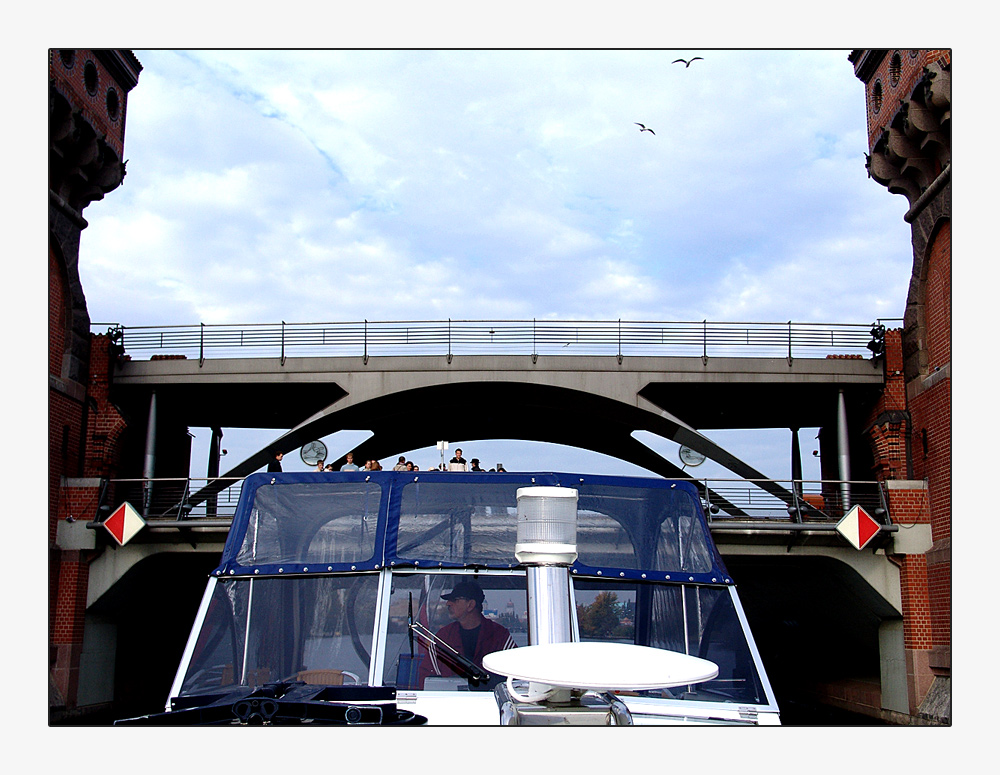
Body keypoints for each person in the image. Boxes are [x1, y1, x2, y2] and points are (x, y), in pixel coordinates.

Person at [417, 580, 515, 689]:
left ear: (470, 605)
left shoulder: (500, 636)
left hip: (490, 703)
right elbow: (425, 677)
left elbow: (516, 675)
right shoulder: (443, 637)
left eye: (454, 600)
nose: (448, 603)